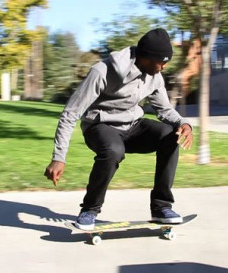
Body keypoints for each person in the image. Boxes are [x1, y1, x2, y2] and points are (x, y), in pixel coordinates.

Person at [44, 28, 193, 230]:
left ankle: (161, 207)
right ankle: (89, 209)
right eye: (161, 61)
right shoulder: (102, 72)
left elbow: (164, 109)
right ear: (146, 57)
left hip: (132, 126)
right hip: (99, 126)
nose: (164, 66)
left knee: (170, 135)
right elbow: (70, 113)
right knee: (114, 150)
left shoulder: (155, 76)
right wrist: (58, 157)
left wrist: (183, 123)